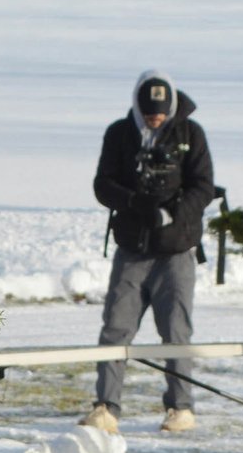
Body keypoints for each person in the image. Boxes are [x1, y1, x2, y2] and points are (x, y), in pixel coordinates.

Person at [80, 70, 214, 434]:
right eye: (149, 113)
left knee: (176, 333)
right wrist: (135, 202)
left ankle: (181, 408)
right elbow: (103, 184)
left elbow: (204, 187)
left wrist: (172, 212)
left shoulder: (191, 134)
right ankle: (106, 407)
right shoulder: (119, 133)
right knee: (115, 329)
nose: (155, 118)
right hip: (132, 251)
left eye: (161, 113)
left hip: (176, 252)